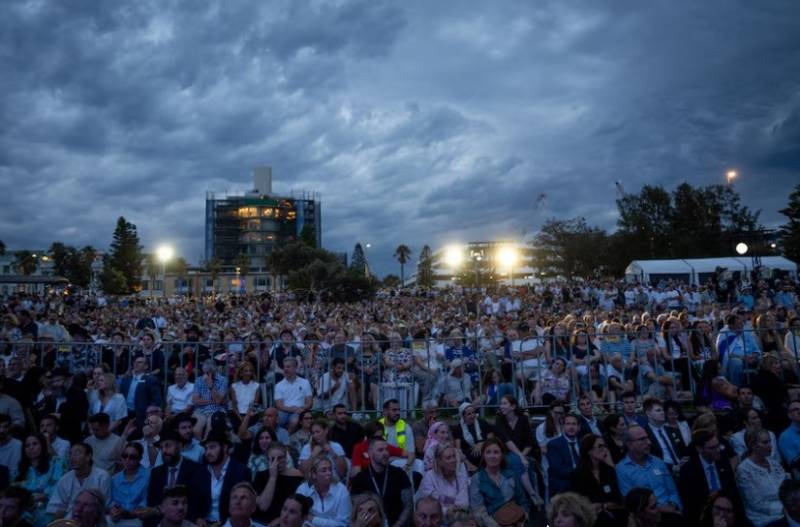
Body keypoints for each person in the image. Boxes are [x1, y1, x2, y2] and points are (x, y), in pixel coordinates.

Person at [145, 428, 210, 526]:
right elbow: (152, 502)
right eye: (161, 447)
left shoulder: (196, 470)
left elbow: (198, 503)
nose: (164, 451)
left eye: (168, 445)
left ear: (180, 446)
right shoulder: (157, 472)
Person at [677, 429, 742, 524]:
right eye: (712, 448)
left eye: (718, 445)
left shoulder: (723, 461)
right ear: (699, 449)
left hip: (727, 508)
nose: (718, 450)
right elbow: (690, 504)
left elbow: (733, 490)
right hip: (704, 515)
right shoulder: (688, 470)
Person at [615, 425, 681, 513]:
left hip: (671, 511)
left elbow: (673, 491)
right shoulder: (622, 469)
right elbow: (631, 503)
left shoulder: (658, 462)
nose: (649, 442)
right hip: (646, 517)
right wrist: (659, 509)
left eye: (647, 438)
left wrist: (673, 505)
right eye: (642, 439)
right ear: (630, 445)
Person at [350, 437, 413, 527]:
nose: (385, 453)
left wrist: (397, 525)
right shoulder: (360, 479)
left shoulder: (400, 474)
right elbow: (356, 509)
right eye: (380, 450)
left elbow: (408, 506)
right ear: (370, 453)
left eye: (387, 450)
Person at [468, 438, 528, 527]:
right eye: (488, 452)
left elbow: (522, 501)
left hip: (517, 519)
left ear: (502, 455)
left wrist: (522, 521)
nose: (492, 456)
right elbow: (478, 511)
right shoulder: (477, 479)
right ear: (483, 455)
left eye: (496, 452)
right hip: (492, 523)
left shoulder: (511, 474)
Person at [493, 395, 541, 505]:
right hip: (506, 454)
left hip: (525, 453)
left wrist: (522, 456)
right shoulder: (499, 419)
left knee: (520, 465)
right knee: (517, 461)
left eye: (504, 403)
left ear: (513, 406)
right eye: (501, 403)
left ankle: (525, 502)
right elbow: (507, 440)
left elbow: (529, 442)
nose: (501, 406)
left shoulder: (523, 419)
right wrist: (521, 457)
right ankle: (531, 493)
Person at [735, 428, 787, 527]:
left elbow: (787, 488)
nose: (770, 446)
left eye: (770, 441)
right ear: (753, 445)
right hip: (763, 518)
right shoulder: (744, 470)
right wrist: (783, 509)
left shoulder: (774, 464)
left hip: (787, 511)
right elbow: (756, 503)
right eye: (765, 442)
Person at [47, 443, 112, 519]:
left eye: (77, 453)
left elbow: (105, 505)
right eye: (70, 454)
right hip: (70, 520)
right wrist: (58, 512)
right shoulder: (64, 479)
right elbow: (54, 506)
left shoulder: (102, 477)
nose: (72, 457)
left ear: (88, 456)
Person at [569, 434, 623, 526]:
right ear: (589, 450)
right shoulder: (578, 474)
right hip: (590, 517)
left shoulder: (609, 470)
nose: (604, 449)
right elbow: (578, 502)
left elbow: (617, 498)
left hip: (612, 513)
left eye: (605, 446)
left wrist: (604, 506)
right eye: (600, 446)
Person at [202, 431, 252, 525]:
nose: (208, 452)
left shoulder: (241, 472)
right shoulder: (201, 472)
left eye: (212, 447)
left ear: (224, 448)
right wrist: (197, 518)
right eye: (206, 448)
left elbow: (245, 505)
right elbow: (194, 501)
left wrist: (226, 522)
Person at [15, 432, 65, 523]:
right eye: (27, 445)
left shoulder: (55, 463)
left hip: (49, 507)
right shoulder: (20, 469)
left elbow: (58, 486)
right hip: (24, 510)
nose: (31, 448)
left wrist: (43, 496)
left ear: (42, 445)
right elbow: (14, 490)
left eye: (35, 444)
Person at [253, 443, 304, 525]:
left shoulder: (297, 477)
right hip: (261, 522)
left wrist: (279, 520)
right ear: (267, 459)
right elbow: (263, 506)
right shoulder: (260, 476)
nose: (277, 462)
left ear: (286, 457)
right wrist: (272, 477)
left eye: (280, 458)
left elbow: (298, 508)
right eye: (273, 459)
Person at [295, 455, 351, 527]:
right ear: (314, 474)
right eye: (324, 470)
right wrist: (331, 522)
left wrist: (312, 519)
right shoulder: (303, 490)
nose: (329, 473)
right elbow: (297, 518)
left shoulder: (341, 490)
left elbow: (343, 524)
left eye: (330, 469)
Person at [417, 443, 469, 515]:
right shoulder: (430, 477)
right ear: (439, 461)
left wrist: (455, 510)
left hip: (458, 515)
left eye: (454, 456)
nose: (453, 460)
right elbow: (430, 504)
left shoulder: (461, 474)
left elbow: (464, 502)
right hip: (434, 517)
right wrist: (447, 510)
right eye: (448, 458)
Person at [108, 443, 150, 527]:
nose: (127, 459)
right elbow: (110, 500)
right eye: (124, 456)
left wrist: (130, 513)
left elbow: (146, 501)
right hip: (116, 518)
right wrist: (114, 510)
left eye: (132, 457)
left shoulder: (148, 475)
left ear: (140, 459)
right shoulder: (115, 478)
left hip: (137, 518)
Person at [642, 399, 686, 471]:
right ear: (648, 414)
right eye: (658, 410)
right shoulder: (644, 434)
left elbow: (682, 450)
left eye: (663, 410)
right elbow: (648, 458)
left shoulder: (673, 430)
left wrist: (684, 459)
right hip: (661, 470)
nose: (663, 413)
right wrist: (672, 468)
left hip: (682, 468)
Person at [120, 357, 164, 428]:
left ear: (146, 366)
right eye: (135, 362)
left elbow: (156, 399)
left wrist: (149, 412)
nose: (136, 364)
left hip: (141, 415)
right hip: (125, 414)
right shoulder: (126, 379)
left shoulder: (151, 380)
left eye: (140, 362)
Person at [547, 414, 582, 497]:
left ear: (579, 427)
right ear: (563, 426)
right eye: (568, 424)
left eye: (574, 424)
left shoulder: (583, 443)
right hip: (563, 481)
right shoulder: (553, 444)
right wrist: (581, 473)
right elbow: (558, 470)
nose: (571, 427)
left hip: (583, 480)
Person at [274, 358, 313, 433]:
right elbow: (279, 405)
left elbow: (309, 402)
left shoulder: (305, 382)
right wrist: (292, 409)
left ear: (295, 368)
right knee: (275, 420)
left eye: (288, 367)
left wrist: (301, 409)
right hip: (284, 410)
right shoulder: (279, 385)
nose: (285, 369)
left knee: (294, 421)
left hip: (300, 410)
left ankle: (286, 441)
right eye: (284, 367)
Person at [191, 360, 229, 437]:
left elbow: (218, 401)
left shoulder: (223, 380)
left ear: (215, 370)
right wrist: (213, 400)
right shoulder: (198, 380)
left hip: (217, 410)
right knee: (196, 430)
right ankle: (200, 448)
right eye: (206, 373)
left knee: (210, 429)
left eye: (210, 372)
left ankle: (208, 446)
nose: (207, 375)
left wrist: (210, 384)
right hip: (200, 411)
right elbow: (195, 401)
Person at [452, 402, 493, 472]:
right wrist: (469, 464)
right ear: (463, 416)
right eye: (469, 414)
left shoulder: (482, 422)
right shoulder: (458, 428)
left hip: (485, 455)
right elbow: (458, 450)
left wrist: (482, 443)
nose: (472, 415)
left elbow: (492, 440)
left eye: (473, 413)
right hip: (468, 461)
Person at [778, 399, 800, 469]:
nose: (799, 411)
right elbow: (794, 464)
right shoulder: (785, 436)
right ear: (789, 415)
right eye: (796, 409)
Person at [0, 413, 22, 479]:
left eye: (5, 427)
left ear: (10, 428)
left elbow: (15, 473)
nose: (1, 430)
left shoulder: (18, 445)